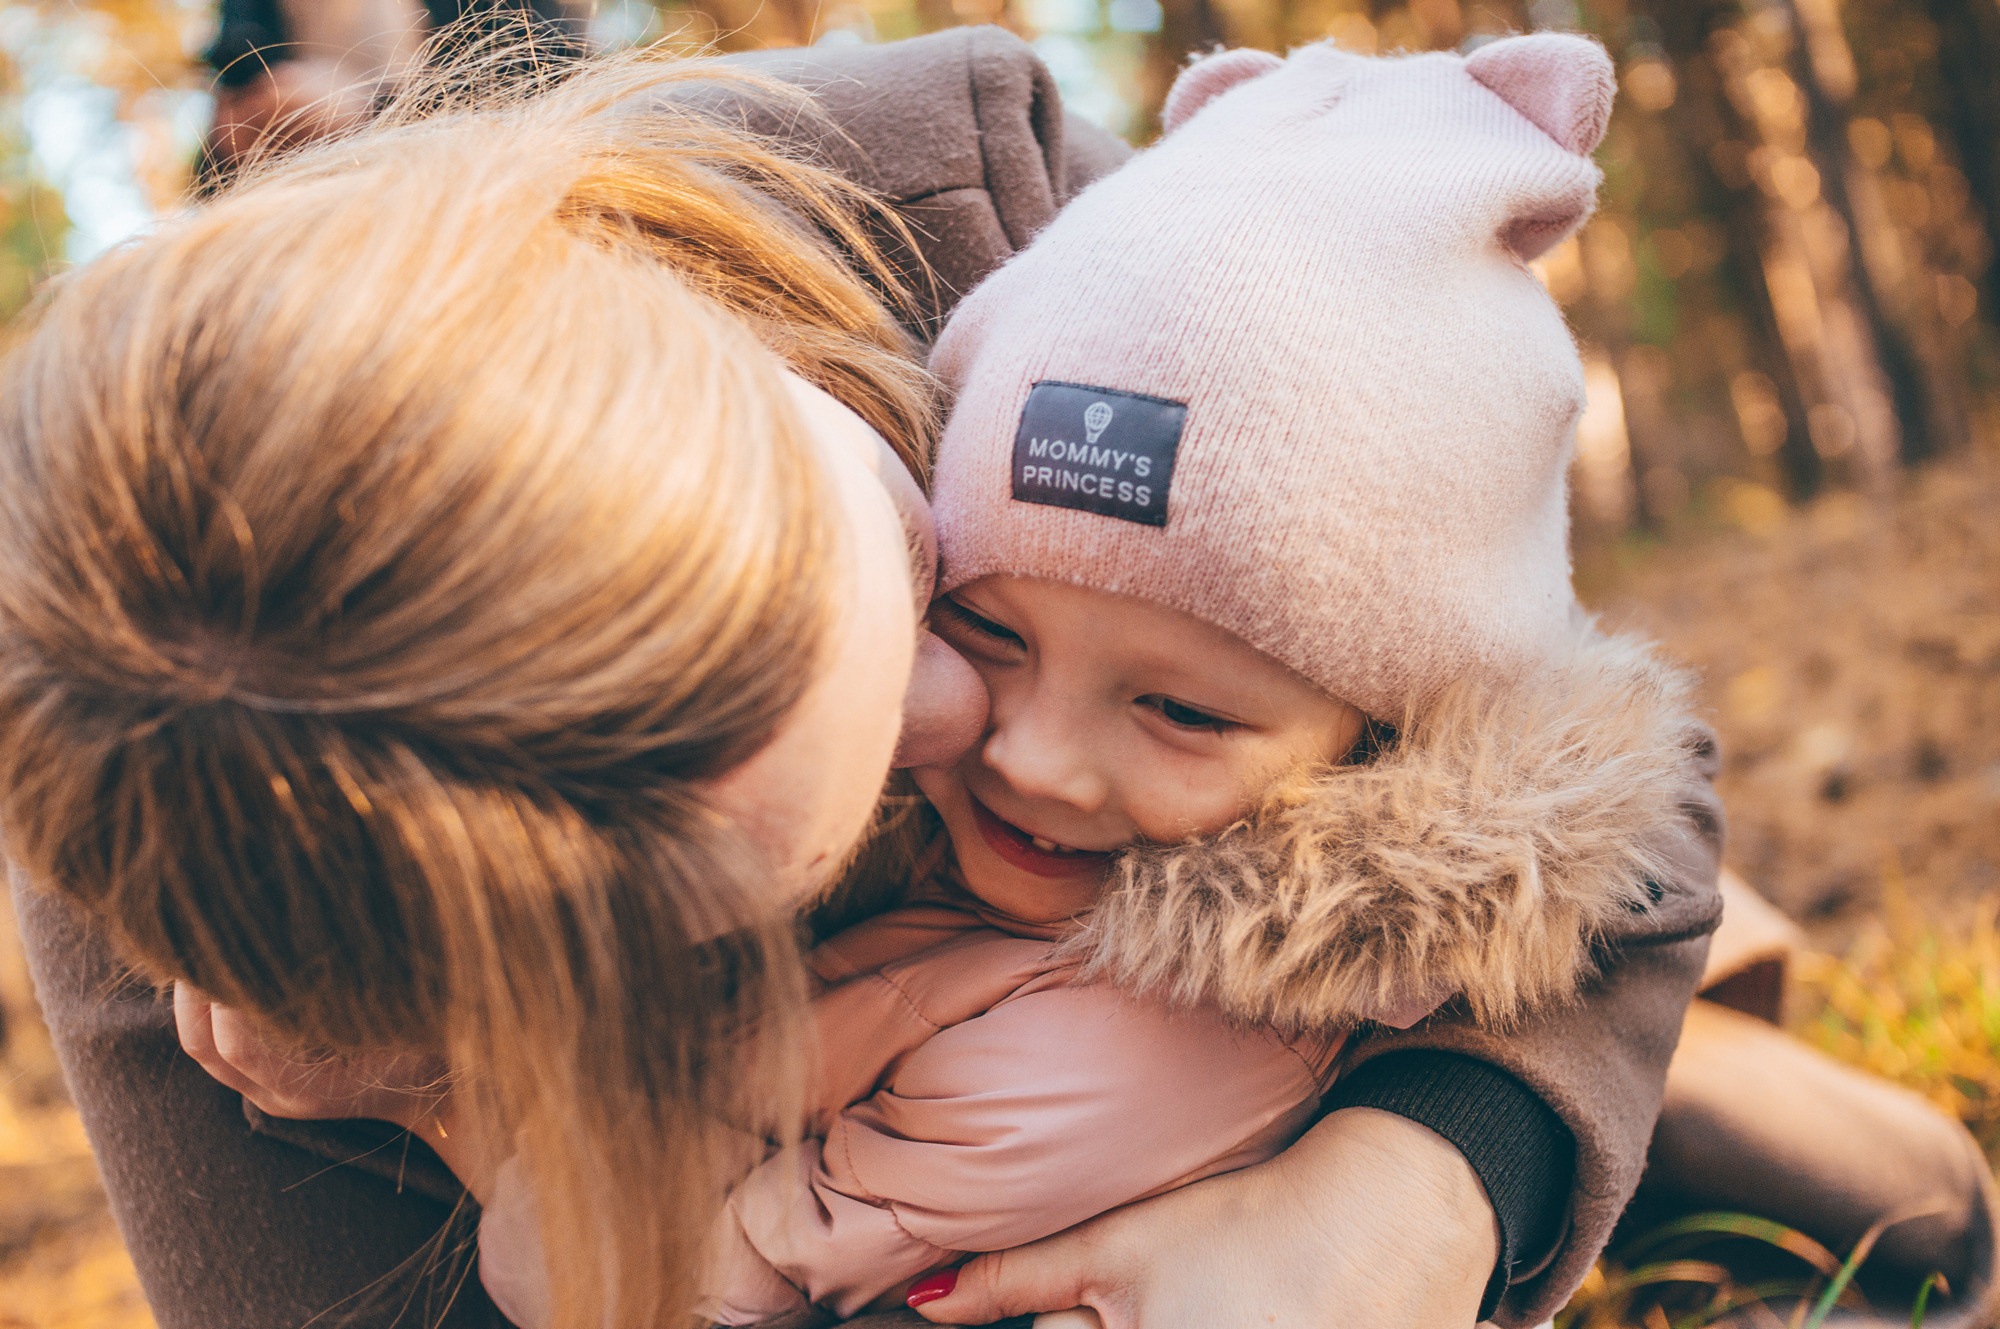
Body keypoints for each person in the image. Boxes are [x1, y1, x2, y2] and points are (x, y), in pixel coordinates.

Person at [5, 28, 1726, 1329]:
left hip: (1247, 912)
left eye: (927, 582)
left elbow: (1575, 754)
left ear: (701, 351)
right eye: (779, 853)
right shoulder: (205, 863)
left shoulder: (978, 207)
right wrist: (458, 1106)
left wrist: (1420, 1185)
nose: (976, 724)